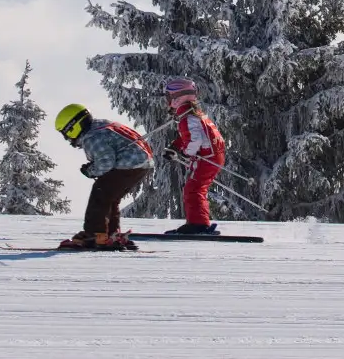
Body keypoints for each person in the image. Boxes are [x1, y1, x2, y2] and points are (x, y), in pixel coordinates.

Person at [54, 103, 154, 251]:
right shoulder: (100, 125)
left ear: (73, 126)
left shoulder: (91, 137)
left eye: (66, 133)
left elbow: (106, 162)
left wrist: (91, 171)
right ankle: (110, 234)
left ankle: (95, 235)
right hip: (141, 164)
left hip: (128, 165)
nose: (67, 139)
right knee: (110, 197)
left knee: (100, 194)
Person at [162, 77, 226, 235]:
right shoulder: (193, 114)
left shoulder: (188, 117)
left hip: (207, 158)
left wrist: (185, 152)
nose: (167, 101)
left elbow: (194, 139)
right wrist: (176, 146)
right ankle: (198, 223)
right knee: (196, 188)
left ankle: (198, 225)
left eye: (168, 97)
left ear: (176, 98)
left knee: (193, 189)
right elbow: (192, 136)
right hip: (213, 156)